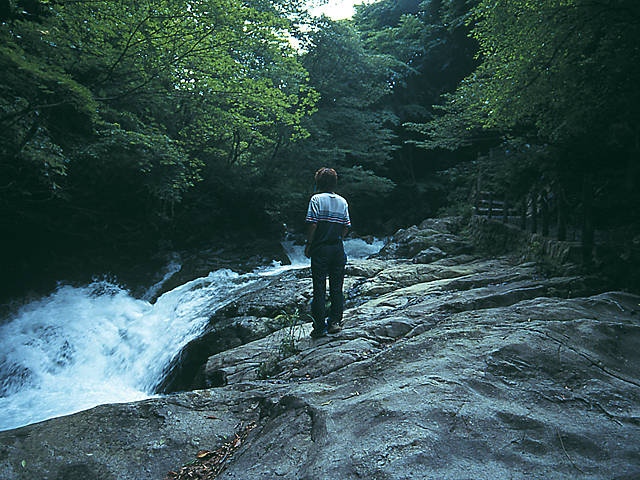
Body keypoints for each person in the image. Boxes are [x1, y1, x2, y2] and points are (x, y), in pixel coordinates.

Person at [304, 167, 351, 338]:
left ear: (318, 182)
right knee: (337, 287)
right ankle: (334, 322)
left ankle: (319, 327)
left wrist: (309, 244)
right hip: (337, 248)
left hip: (320, 248)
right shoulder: (342, 201)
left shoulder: (316, 199)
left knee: (319, 287)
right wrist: (338, 238)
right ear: (334, 182)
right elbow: (346, 226)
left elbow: (312, 223)